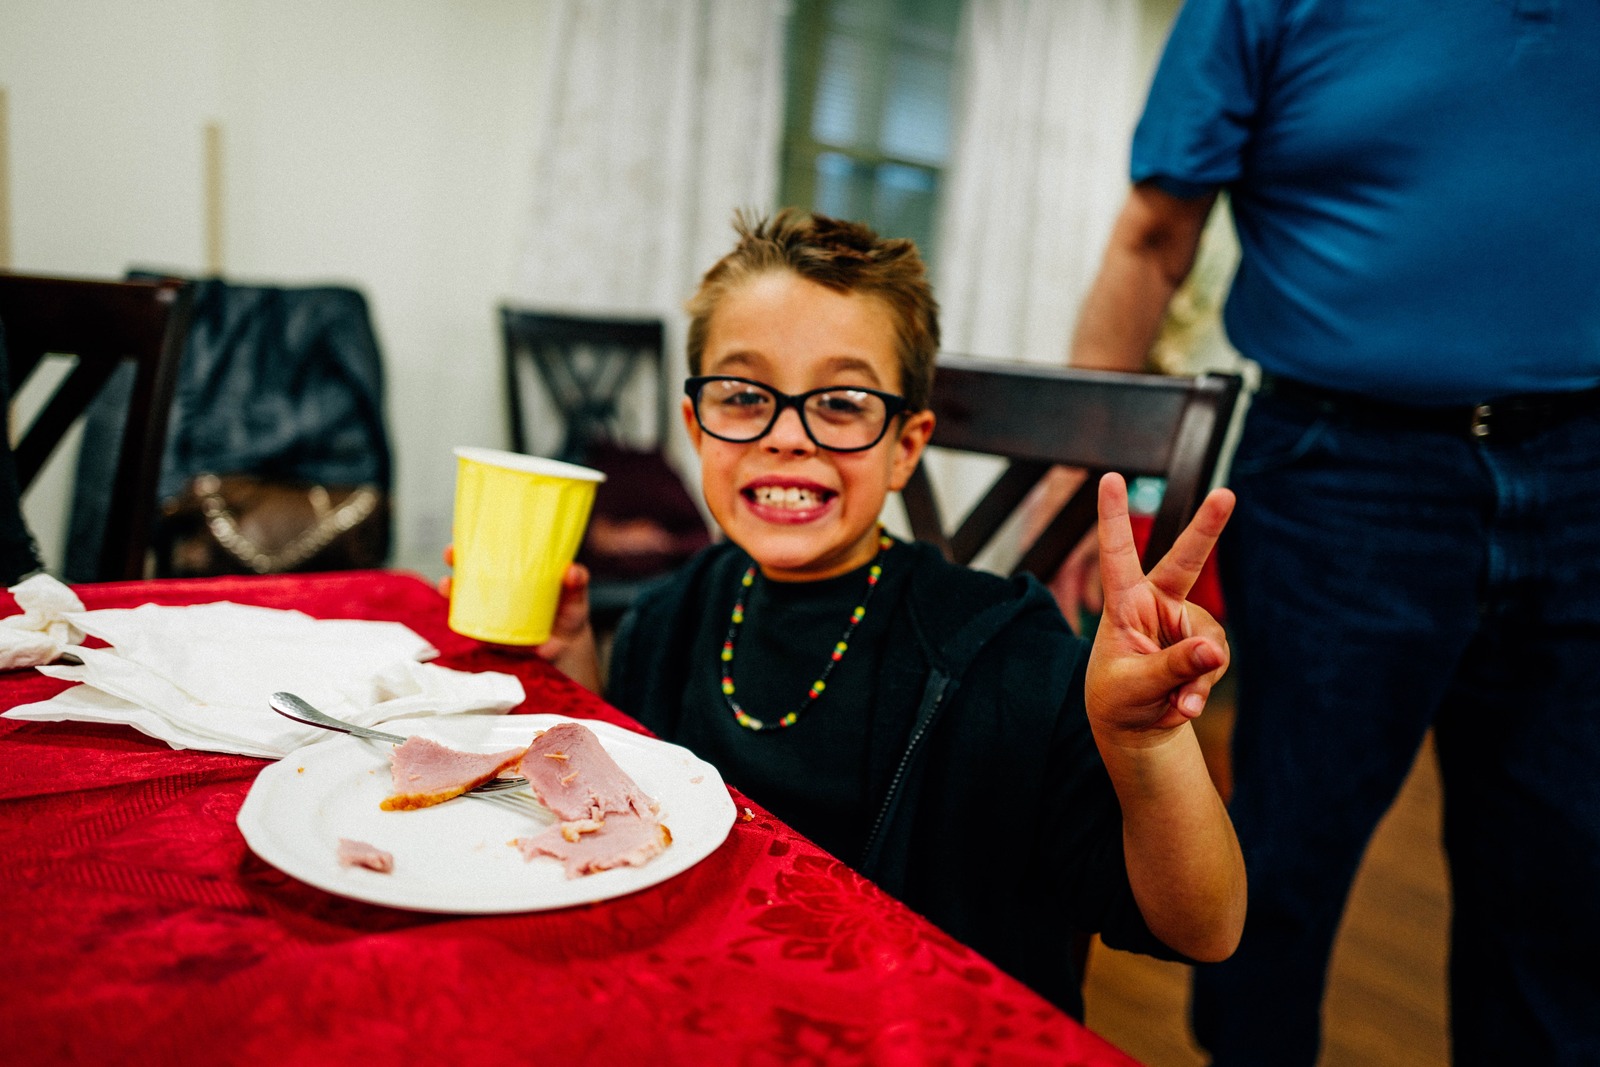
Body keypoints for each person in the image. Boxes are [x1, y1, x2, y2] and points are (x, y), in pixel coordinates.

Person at [503, 209, 1245, 1018]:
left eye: (844, 402)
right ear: (696, 426)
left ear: (906, 444)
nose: (787, 436)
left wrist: (1148, 748)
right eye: (745, 395)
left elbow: (1203, 926)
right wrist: (574, 661)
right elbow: (632, 811)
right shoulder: (665, 618)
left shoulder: (1011, 660)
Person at [1067, 2, 1600, 1063]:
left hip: (1585, 468)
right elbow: (1153, 234)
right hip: (1344, 473)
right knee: (1284, 863)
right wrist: (1090, 483)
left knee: (1562, 886)